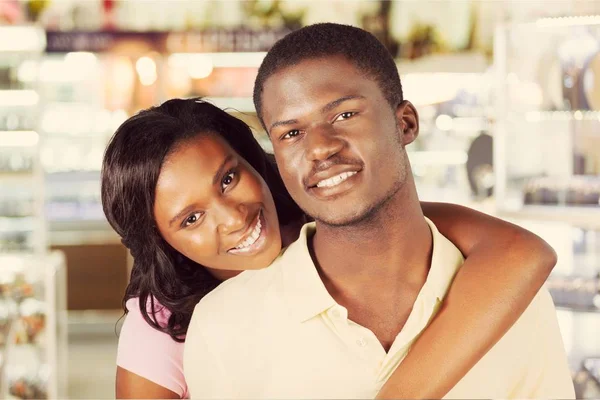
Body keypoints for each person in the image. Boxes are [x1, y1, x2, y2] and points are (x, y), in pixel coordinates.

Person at [183, 23, 575, 399]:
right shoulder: (224, 324)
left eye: (344, 115)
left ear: (405, 123)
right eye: (291, 133)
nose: (320, 148)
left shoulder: (514, 295)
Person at [105, 100, 554, 400]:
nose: (233, 217)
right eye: (191, 219)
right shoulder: (162, 326)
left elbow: (523, 253)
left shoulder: (339, 221)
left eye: (227, 179)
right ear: (162, 241)